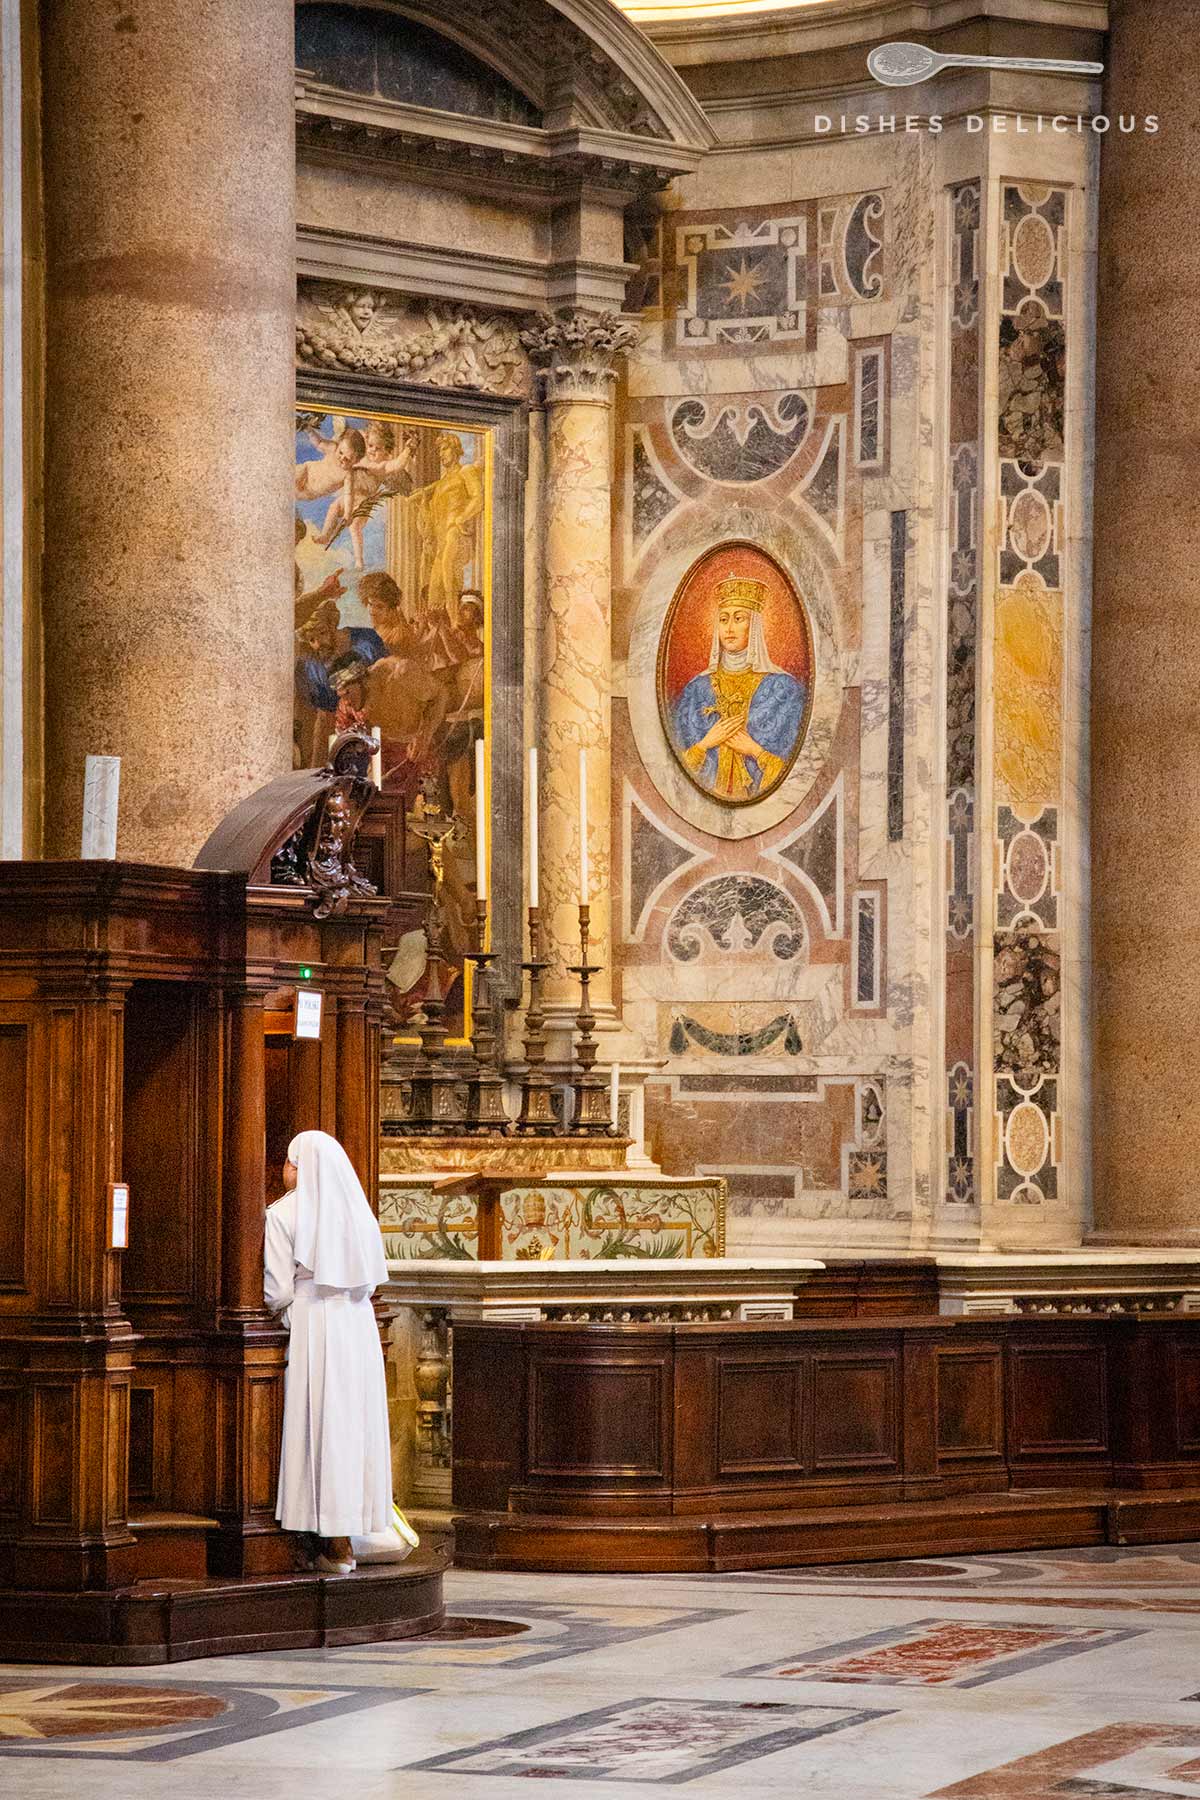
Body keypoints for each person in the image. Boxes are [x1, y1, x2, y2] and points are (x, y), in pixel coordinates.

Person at [264, 1130, 393, 1574]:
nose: (284, 1170)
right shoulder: (359, 1214)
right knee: (352, 1427)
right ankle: (352, 1535)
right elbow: (370, 1281)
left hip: (314, 1325)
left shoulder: (284, 1214)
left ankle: (328, 1540)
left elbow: (277, 1291)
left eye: (287, 1161)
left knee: (320, 1426)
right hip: (357, 1328)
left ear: (300, 1167)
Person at [671, 574, 808, 801]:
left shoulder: (783, 689)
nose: (730, 628)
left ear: (753, 625)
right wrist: (706, 743)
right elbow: (673, 771)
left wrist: (755, 750)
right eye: (723, 619)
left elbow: (799, 773)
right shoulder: (696, 690)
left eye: (739, 618)